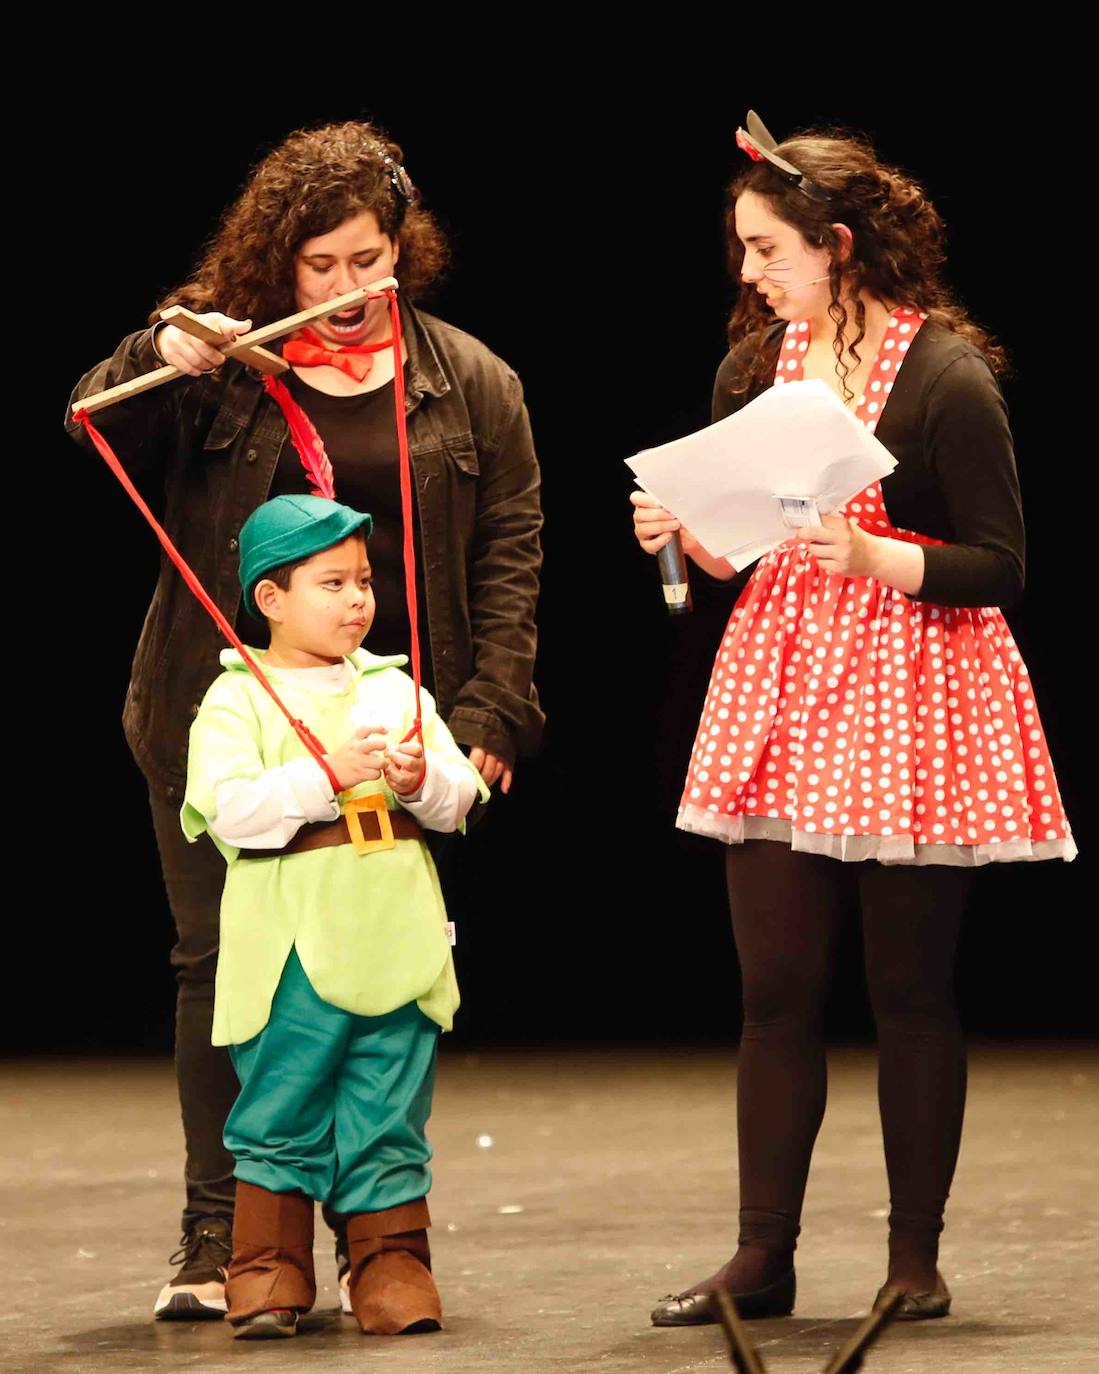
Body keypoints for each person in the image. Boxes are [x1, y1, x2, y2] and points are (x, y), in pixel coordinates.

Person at [65, 121, 543, 1319]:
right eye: (317, 266)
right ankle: (219, 1234)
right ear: (278, 266)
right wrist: (159, 345)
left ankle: (381, 1246)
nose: (343, 288)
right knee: (220, 967)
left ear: (403, 248)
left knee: (376, 977)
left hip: (387, 718)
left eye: (366, 258)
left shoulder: (469, 380)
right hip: (221, 714)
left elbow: (510, 554)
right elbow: (91, 417)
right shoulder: (222, 364)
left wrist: (490, 707)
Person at [631, 114, 1075, 1325]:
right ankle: (760, 1257)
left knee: (908, 990)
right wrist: (683, 533)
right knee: (774, 988)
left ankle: (912, 1259)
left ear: (836, 246)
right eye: (742, 250)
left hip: (913, 689)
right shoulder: (752, 369)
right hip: (785, 686)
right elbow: (741, 543)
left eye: (767, 249)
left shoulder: (945, 379)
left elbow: (1001, 565)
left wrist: (871, 553)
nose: (749, 272)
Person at [183, 492, 488, 1338]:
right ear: (270, 598)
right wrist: (325, 773)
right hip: (292, 947)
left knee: (389, 1104)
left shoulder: (395, 690)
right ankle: (269, 1269)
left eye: (362, 581)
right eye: (331, 583)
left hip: (393, 931)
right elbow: (228, 812)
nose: (357, 599)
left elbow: (461, 795)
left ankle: (388, 1263)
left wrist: (418, 779)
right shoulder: (238, 697)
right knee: (283, 1102)